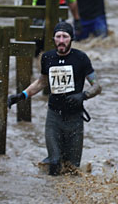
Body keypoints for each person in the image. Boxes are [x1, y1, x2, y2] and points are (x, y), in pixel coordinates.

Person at [7, 21, 102, 175]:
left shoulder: (81, 58)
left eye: (65, 36)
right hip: (53, 118)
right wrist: (20, 96)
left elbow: (97, 86)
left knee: (72, 168)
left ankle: (66, 197)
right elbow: (41, 82)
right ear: (54, 39)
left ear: (71, 39)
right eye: (58, 36)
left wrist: (83, 95)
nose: (61, 40)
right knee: (55, 161)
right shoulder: (47, 58)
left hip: (75, 119)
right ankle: (49, 194)